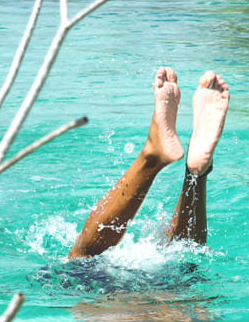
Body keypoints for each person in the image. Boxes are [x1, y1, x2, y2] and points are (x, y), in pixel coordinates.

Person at [68, 67, 230, 260]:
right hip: (175, 288)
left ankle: (152, 156)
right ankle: (197, 174)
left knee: (83, 259)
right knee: (184, 255)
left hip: (104, 288)